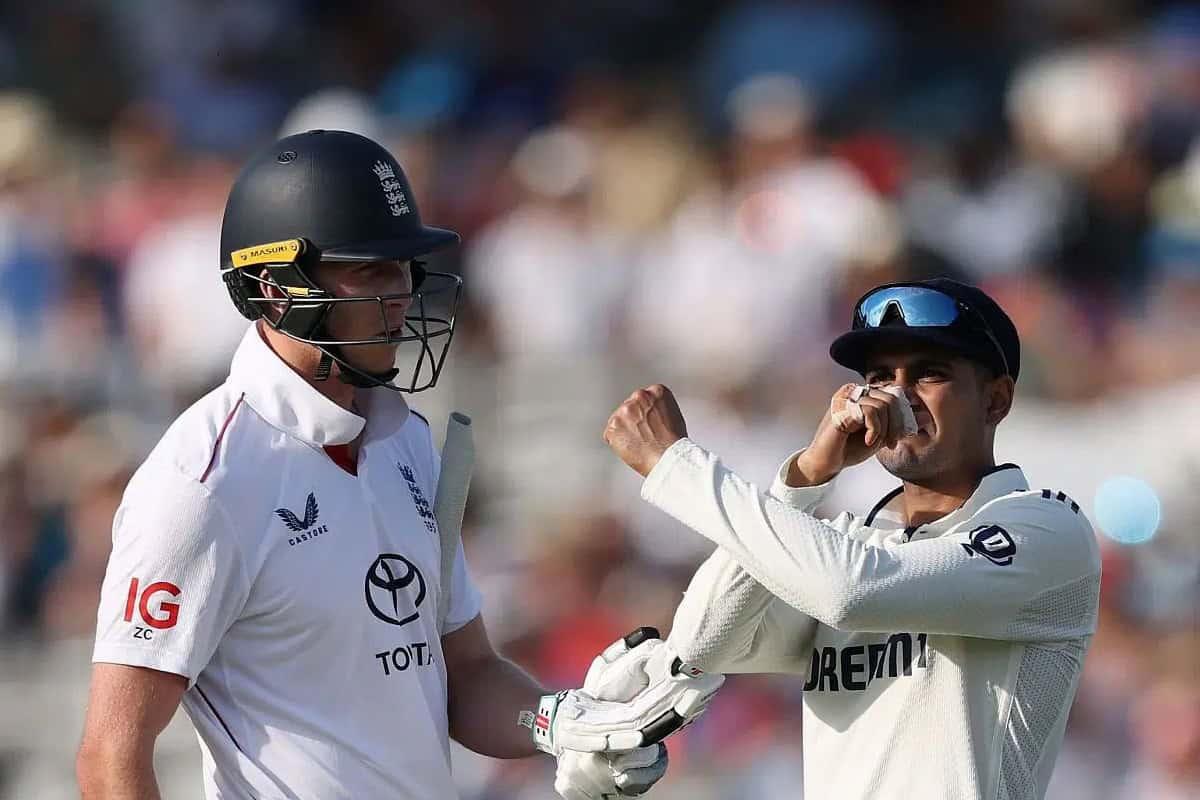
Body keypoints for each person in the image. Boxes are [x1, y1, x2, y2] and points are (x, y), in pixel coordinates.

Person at [76, 130, 720, 800]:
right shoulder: (204, 481)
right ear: (274, 287)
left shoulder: (405, 439)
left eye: (403, 268)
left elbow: (467, 673)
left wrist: (562, 721)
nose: (402, 294)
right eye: (370, 271)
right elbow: (110, 758)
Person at [603, 278, 1103, 799]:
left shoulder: (1045, 530)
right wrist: (804, 477)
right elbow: (703, 643)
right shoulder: (847, 542)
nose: (898, 396)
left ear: (996, 400)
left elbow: (850, 592)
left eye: (930, 373)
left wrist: (675, 467)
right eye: (881, 376)